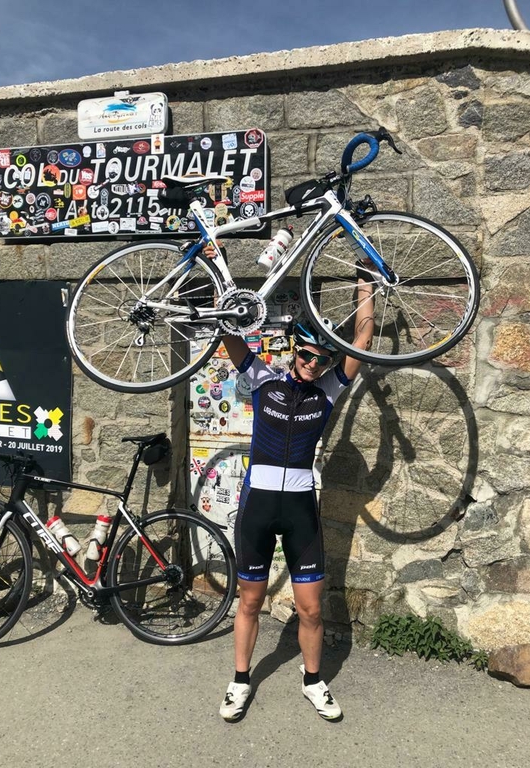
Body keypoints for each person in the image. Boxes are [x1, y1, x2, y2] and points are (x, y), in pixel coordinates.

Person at [204, 244, 375, 721]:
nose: (312, 364)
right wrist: (223, 276)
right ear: (292, 350)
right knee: (251, 600)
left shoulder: (328, 390)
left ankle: (313, 680)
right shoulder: (263, 379)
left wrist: (364, 280)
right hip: (258, 505)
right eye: (305, 354)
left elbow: (362, 337)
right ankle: (240, 681)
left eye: (320, 359)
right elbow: (229, 332)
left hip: (301, 509)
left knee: (312, 609)